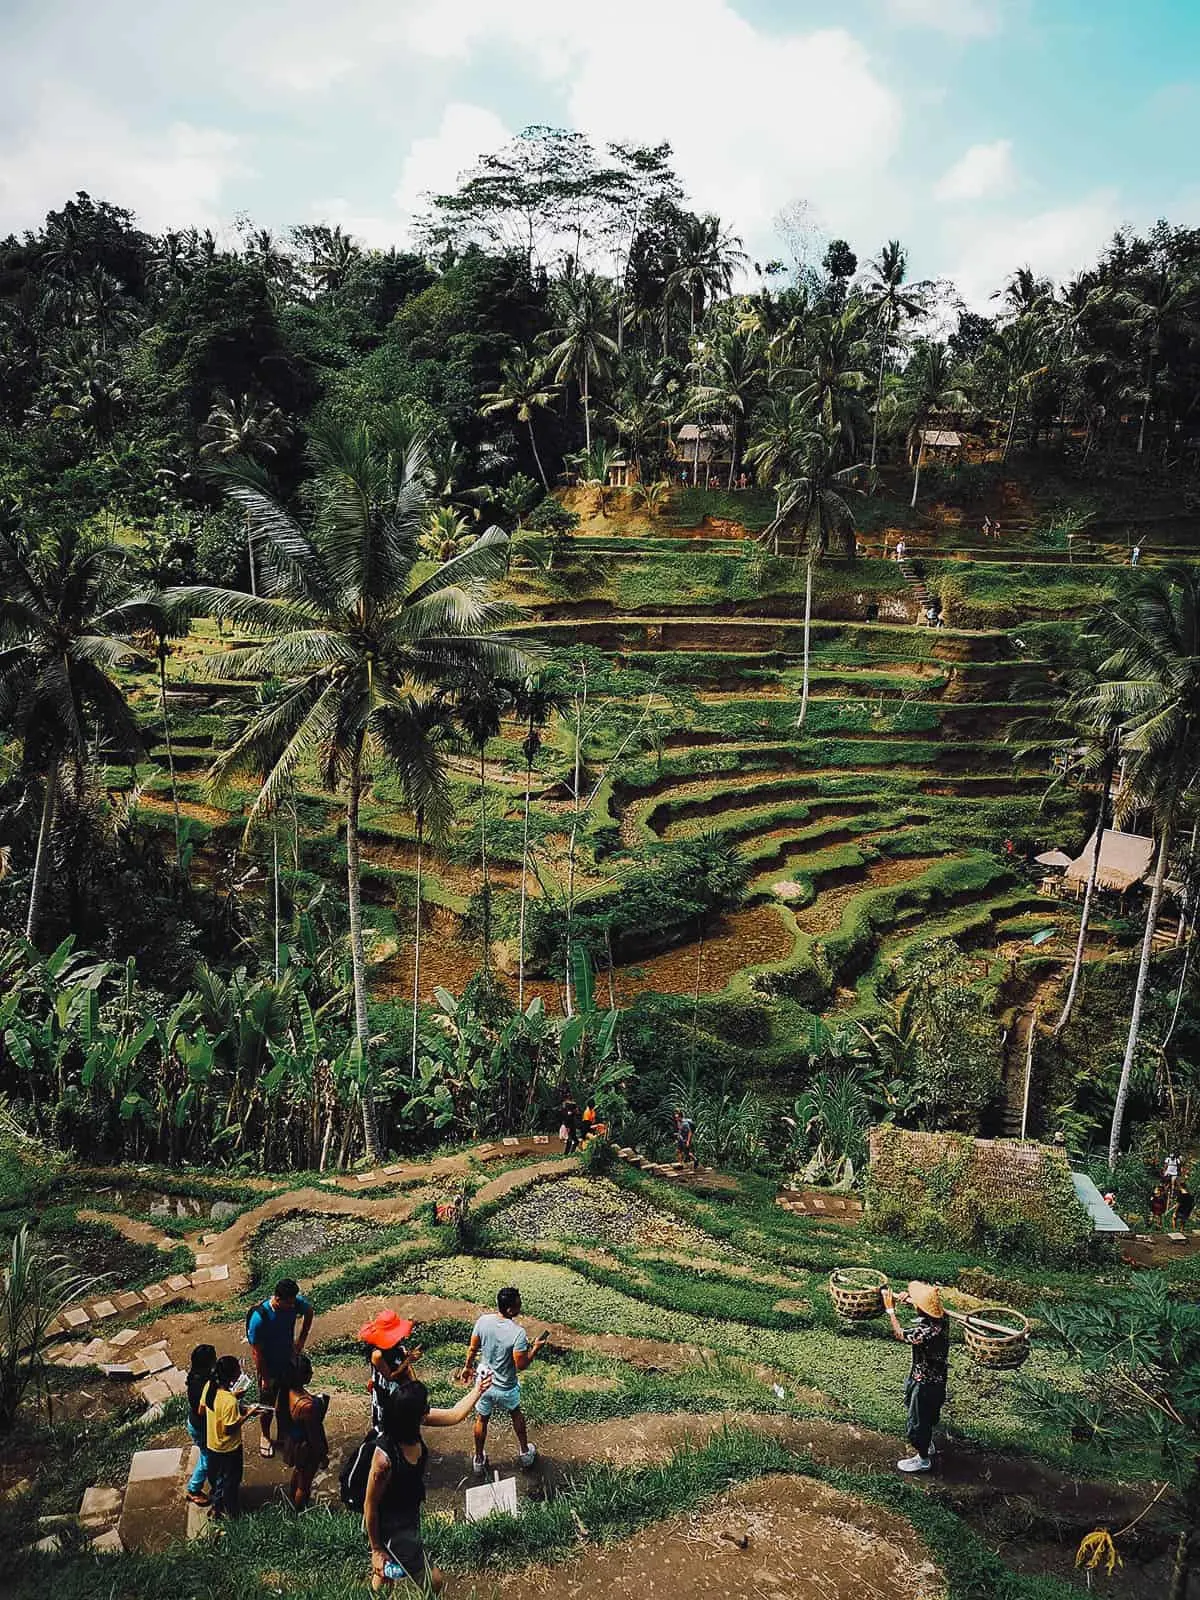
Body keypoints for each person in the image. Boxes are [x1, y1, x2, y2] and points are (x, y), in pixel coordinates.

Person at [364, 1374, 492, 1593]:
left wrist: (478, 1389)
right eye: (425, 1407)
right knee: (434, 1581)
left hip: (408, 1515)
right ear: (414, 1416)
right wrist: (376, 1548)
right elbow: (370, 1504)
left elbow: (454, 1414)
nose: (428, 1409)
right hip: (392, 1526)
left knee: (385, 1575)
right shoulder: (384, 1459)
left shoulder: (410, 1422)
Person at [458, 1285, 549, 1474]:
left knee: (482, 1419)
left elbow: (473, 1348)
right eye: (518, 1303)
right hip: (506, 1385)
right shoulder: (518, 1333)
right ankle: (525, 1453)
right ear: (509, 1310)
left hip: (484, 1382)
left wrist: (467, 1367)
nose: (521, 1305)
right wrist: (535, 1349)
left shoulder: (483, 1321)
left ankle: (479, 1459)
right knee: (516, 1413)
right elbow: (521, 1365)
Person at [881, 1281, 949, 1474]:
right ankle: (927, 1445)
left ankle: (923, 1458)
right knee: (927, 1415)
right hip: (936, 1378)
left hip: (924, 1382)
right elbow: (925, 1311)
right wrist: (907, 1299)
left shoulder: (925, 1332)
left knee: (918, 1419)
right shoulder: (942, 1320)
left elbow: (900, 1333)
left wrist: (890, 1311)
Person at [248, 1278, 314, 1458]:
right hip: (269, 1367)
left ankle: (283, 1434)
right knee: (267, 1405)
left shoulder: (293, 1304)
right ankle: (265, 1436)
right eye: (289, 1303)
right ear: (278, 1298)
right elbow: (257, 1353)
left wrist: (301, 1341)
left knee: (285, 1401)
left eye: (294, 1302)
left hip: (288, 1362)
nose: (293, 1306)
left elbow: (308, 1311)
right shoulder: (260, 1318)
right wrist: (265, 1378)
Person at [201, 1355, 267, 1518]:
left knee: (217, 1479)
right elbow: (229, 1429)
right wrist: (249, 1413)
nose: (240, 1371)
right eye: (238, 1368)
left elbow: (207, 1409)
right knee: (231, 1481)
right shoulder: (229, 1401)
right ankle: (233, 1512)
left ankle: (217, 1506)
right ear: (232, 1375)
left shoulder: (209, 1387)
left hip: (212, 1444)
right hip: (228, 1448)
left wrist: (236, 1398)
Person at [276, 1354, 330, 1510]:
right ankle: (299, 1511)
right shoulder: (306, 1406)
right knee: (304, 1485)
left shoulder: (287, 1391)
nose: (312, 1374)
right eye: (309, 1371)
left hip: (294, 1440)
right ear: (302, 1376)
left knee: (299, 1472)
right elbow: (314, 1434)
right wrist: (322, 1455)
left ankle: (292, 1499)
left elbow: (279, 1414)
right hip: (306, 1446)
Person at [360, 1309, 421, 1429]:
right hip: (386, 1390)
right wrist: (408, 1360)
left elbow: (406, 1366)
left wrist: (415, 1385)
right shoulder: (377, 1355)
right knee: (386, 1422)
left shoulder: (397, 1346)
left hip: (400, 1388)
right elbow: (390, 1376)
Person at [185, 1343, 216, 1506]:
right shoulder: (200, 1385)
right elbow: (202, 1410)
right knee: (207, 1458)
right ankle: (193, 1489)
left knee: (208, 1455)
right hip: (200, 1427)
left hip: (197, 1424)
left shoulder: (196, 1376)